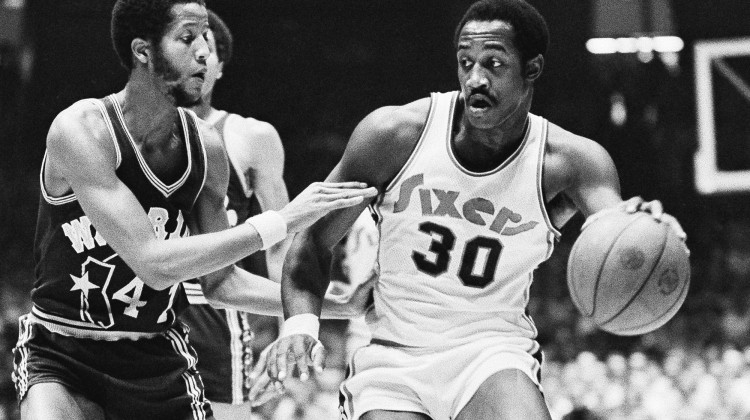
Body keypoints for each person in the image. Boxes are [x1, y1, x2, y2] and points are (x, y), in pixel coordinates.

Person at [265, 1, 689, 419]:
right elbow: (313, 241)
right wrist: (300, 326)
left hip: (491, 352)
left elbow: (613, 226)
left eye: (493, 63)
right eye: (465, 62)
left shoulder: (570, 162)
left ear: (532, 69)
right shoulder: (394, 135)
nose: (475, 78)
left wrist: (642, 225)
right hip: (394, 356)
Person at [11, 1, 376, 419]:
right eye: (187, 38)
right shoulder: (81, 131)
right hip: (63, 351)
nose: (204, 50)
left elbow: (221, 285)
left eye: (206, 37)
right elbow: (153, 262)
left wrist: (335, 302)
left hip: (154, 356)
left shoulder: (207, 149)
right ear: (143, 51)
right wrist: (282, 220)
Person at [181, 10, 289, 418]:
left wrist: (289, 331)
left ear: (220, 64)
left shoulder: (250, 136)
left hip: (214, 312)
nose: (195, 58)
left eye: (204, 49)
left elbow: (284, 245)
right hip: (137, 304)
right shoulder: (120, 132)